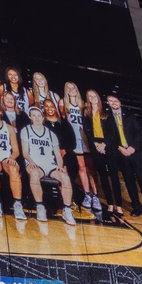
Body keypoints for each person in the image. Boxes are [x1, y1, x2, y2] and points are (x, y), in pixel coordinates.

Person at [20, 105, 76, 226]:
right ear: (30, 117)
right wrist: (31, 161)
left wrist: (60, 165)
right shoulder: (26, 130)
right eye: (34, 115)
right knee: (34, 174)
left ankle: (67, 209)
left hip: (49, 164)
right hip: (34, 163)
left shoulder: (51, 134)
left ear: (43, 117)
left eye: (39, 115)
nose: (37, 118)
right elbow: (24, 152)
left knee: (65, 177)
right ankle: (40, 207)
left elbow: (58, 154)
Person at [106, 95, 142, 221]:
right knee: (129, 183)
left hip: (136, 154)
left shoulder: (130, 116)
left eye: (115, 100)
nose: (113, 103)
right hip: (122, 155)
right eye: (111, 101)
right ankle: (137, 208)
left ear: (120, 102)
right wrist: (120, 148)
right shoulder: (108, 119)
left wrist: (133, 148)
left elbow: (139, 133)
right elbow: (110, 137)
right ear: (108, 103)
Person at [82, 89, 126, 223]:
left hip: (109, 148)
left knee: (113, 176)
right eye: (89, 96)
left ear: (98, 97)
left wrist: (104, 144)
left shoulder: (106, 113)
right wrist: (96, 145)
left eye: (94, 95)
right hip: (96, 148)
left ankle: (118, 205)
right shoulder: (87, 115)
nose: (92, 98)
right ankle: (110, 203)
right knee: (103, 177)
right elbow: (88, 131)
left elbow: (112, 133)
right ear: (88, 99)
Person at [62, 82, 98, 213]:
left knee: (91, 169)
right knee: (81, 167)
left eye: (73, 87)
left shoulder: (84, 104)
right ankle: (87, 194)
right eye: (68, 88)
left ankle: (95, 195)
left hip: (86, 139)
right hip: (74, 139)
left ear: (76, 90)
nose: (71, 90)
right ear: (66, 91)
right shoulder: (63, 104)